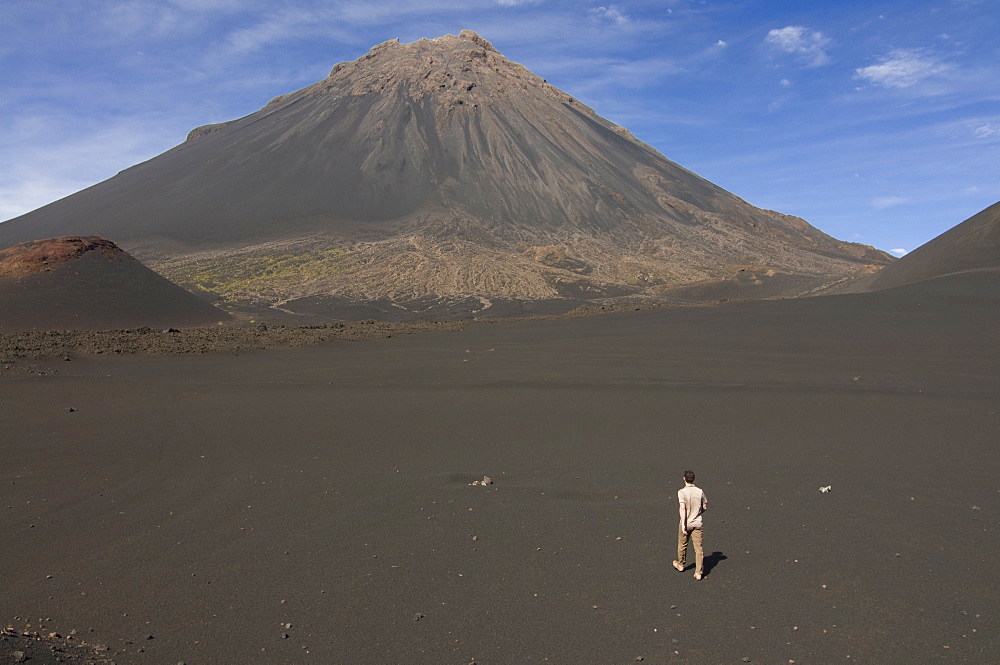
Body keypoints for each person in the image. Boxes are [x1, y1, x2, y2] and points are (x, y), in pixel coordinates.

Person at [673, 469, 708, 580]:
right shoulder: (700, 491)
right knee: (698, 548)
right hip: (697, 522)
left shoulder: (681, 492)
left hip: (686, 522)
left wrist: (683, 524)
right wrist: (698, 513)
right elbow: (704, 507)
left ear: (684, 478)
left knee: (682, 544)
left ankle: (681, 564)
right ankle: (698, 572)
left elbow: (682, 508)